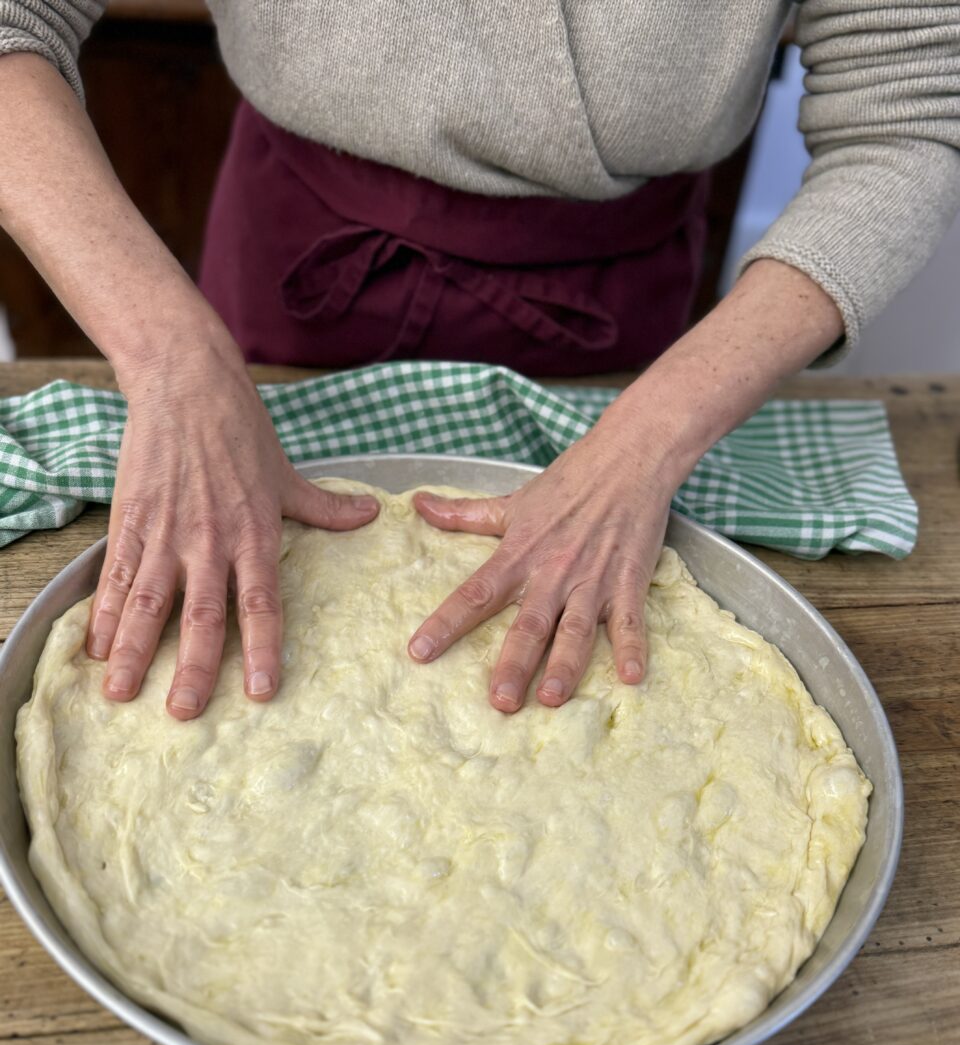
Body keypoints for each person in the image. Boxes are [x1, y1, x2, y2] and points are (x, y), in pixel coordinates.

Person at [1, 4, 957, 721]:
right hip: (298, 262)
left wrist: (649, 439)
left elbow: (910, 112)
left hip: (621, 316)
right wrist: (174, 362)